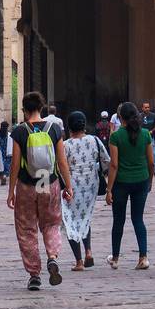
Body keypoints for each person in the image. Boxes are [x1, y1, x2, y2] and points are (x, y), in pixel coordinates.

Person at [8, 91, 74, 290]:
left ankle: (34, 274)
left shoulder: (20, 131)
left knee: (26, 228)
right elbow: (62, 161)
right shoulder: (54, 129)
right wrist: (68, 185)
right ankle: (52, 256)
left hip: (27, 184)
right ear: (41, 107)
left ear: (24, 110)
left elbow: (15, 164)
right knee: (51, 222)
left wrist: (11, 190)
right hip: (48, 181)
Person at [107, 101, 155, 270]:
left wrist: (108, 189)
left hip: (121, 183)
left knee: (118, 220)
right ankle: (143, 257)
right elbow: (151, 162)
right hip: (141, 180)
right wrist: (150, 180)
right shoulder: (145, 134)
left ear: (120, 118)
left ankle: (115, 258)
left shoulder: (116, 137)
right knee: (138, 219)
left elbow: (114, 165)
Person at [61, 111, 110, 271]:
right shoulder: (94, 140)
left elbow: (61, 167)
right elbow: (106, 160)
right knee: (84, 217)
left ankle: (79, 261)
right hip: (91, 186)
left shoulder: (65, 145)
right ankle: (88, 251)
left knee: (70, 221)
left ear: (69, 127)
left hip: (72, 187)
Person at [140, 101, 155, 176]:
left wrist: (152, 131)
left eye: (148, 107)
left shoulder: (153, 115)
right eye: (145, 107)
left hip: (151, 137)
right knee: (142, 153)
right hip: (142, 138)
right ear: (142, 108)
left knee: (153, 153)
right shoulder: (140, 116)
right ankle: (144, 169)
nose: (147, 109)